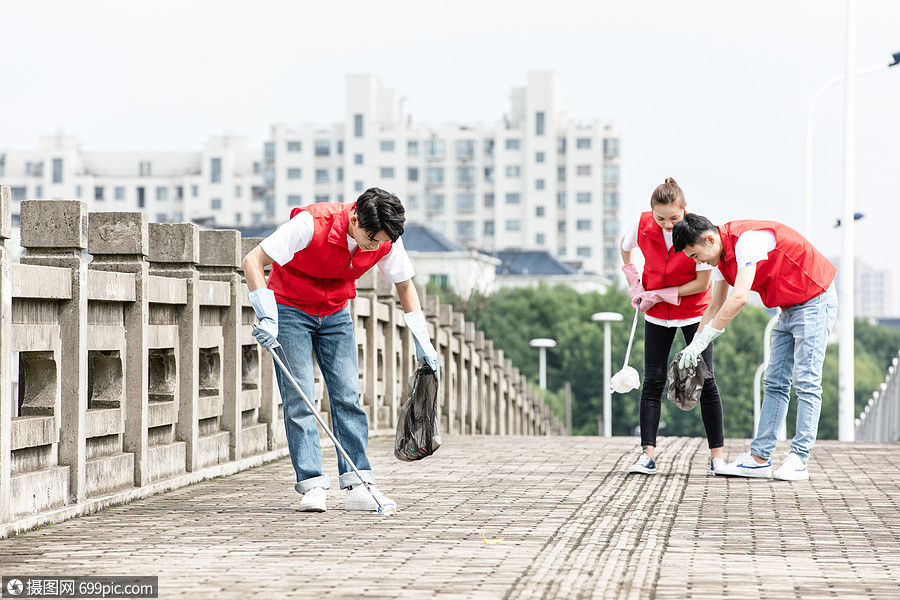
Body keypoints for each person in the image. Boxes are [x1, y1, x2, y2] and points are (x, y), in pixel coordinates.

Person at [242, 188, 440, 512]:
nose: (374, 247)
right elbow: (253, 260)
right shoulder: (311, 224)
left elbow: (405, 286)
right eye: (370, 239)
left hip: (335, 312)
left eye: (380, 242)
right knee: (300, 396)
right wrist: (265, 313)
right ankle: (312, 485)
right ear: (354, 217)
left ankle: (359, 483)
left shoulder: (386, 236)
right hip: (290, 309)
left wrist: (423, 341)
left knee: (348, 396)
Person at [672, 213, 837, 481]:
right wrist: (693, 345)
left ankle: (799, 459)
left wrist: (705, 339)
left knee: (806, 380)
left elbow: (738, 298)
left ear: (709, 239)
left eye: (694, 255)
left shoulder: (745, 242)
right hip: (788, 307)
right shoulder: (720, 257)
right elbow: (714, 306)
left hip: (815, 299)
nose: (697, 262)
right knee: (774, 383)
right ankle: (759, 459)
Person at [620, 178, 726, 476]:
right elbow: (625, 248)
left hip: (694, 314)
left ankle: (717, 457)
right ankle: (647, 455)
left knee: (706, 380)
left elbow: (702, 283)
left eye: (674, 218)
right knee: (653, 380)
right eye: (660, 218)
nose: (667, 224)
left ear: (684, 209)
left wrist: (659, 294)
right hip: (656, 315)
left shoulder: (696, 233)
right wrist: (635, 286)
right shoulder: (641, 224)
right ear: (651, 212)